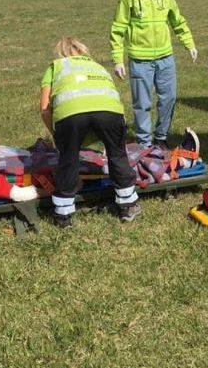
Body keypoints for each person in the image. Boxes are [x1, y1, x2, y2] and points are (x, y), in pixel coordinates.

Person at [40, 37, 140, 228]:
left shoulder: (56, 67)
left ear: (61, 53)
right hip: (110, 111)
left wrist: (56, 134)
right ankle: (128, 205)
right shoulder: (96, 66)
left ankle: (63, 215)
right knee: (117, 154)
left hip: (71, 114)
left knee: (68, 159)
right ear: (82, 50)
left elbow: (44, 109)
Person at [110, 0, 197, 149]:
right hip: (140, 60)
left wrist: (189, 44)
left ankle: (161, 137)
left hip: (166, 58)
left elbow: (177, 20)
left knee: (169, 98)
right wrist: (118, 59)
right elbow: (118, 29)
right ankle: (144, 143)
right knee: (142, 104)